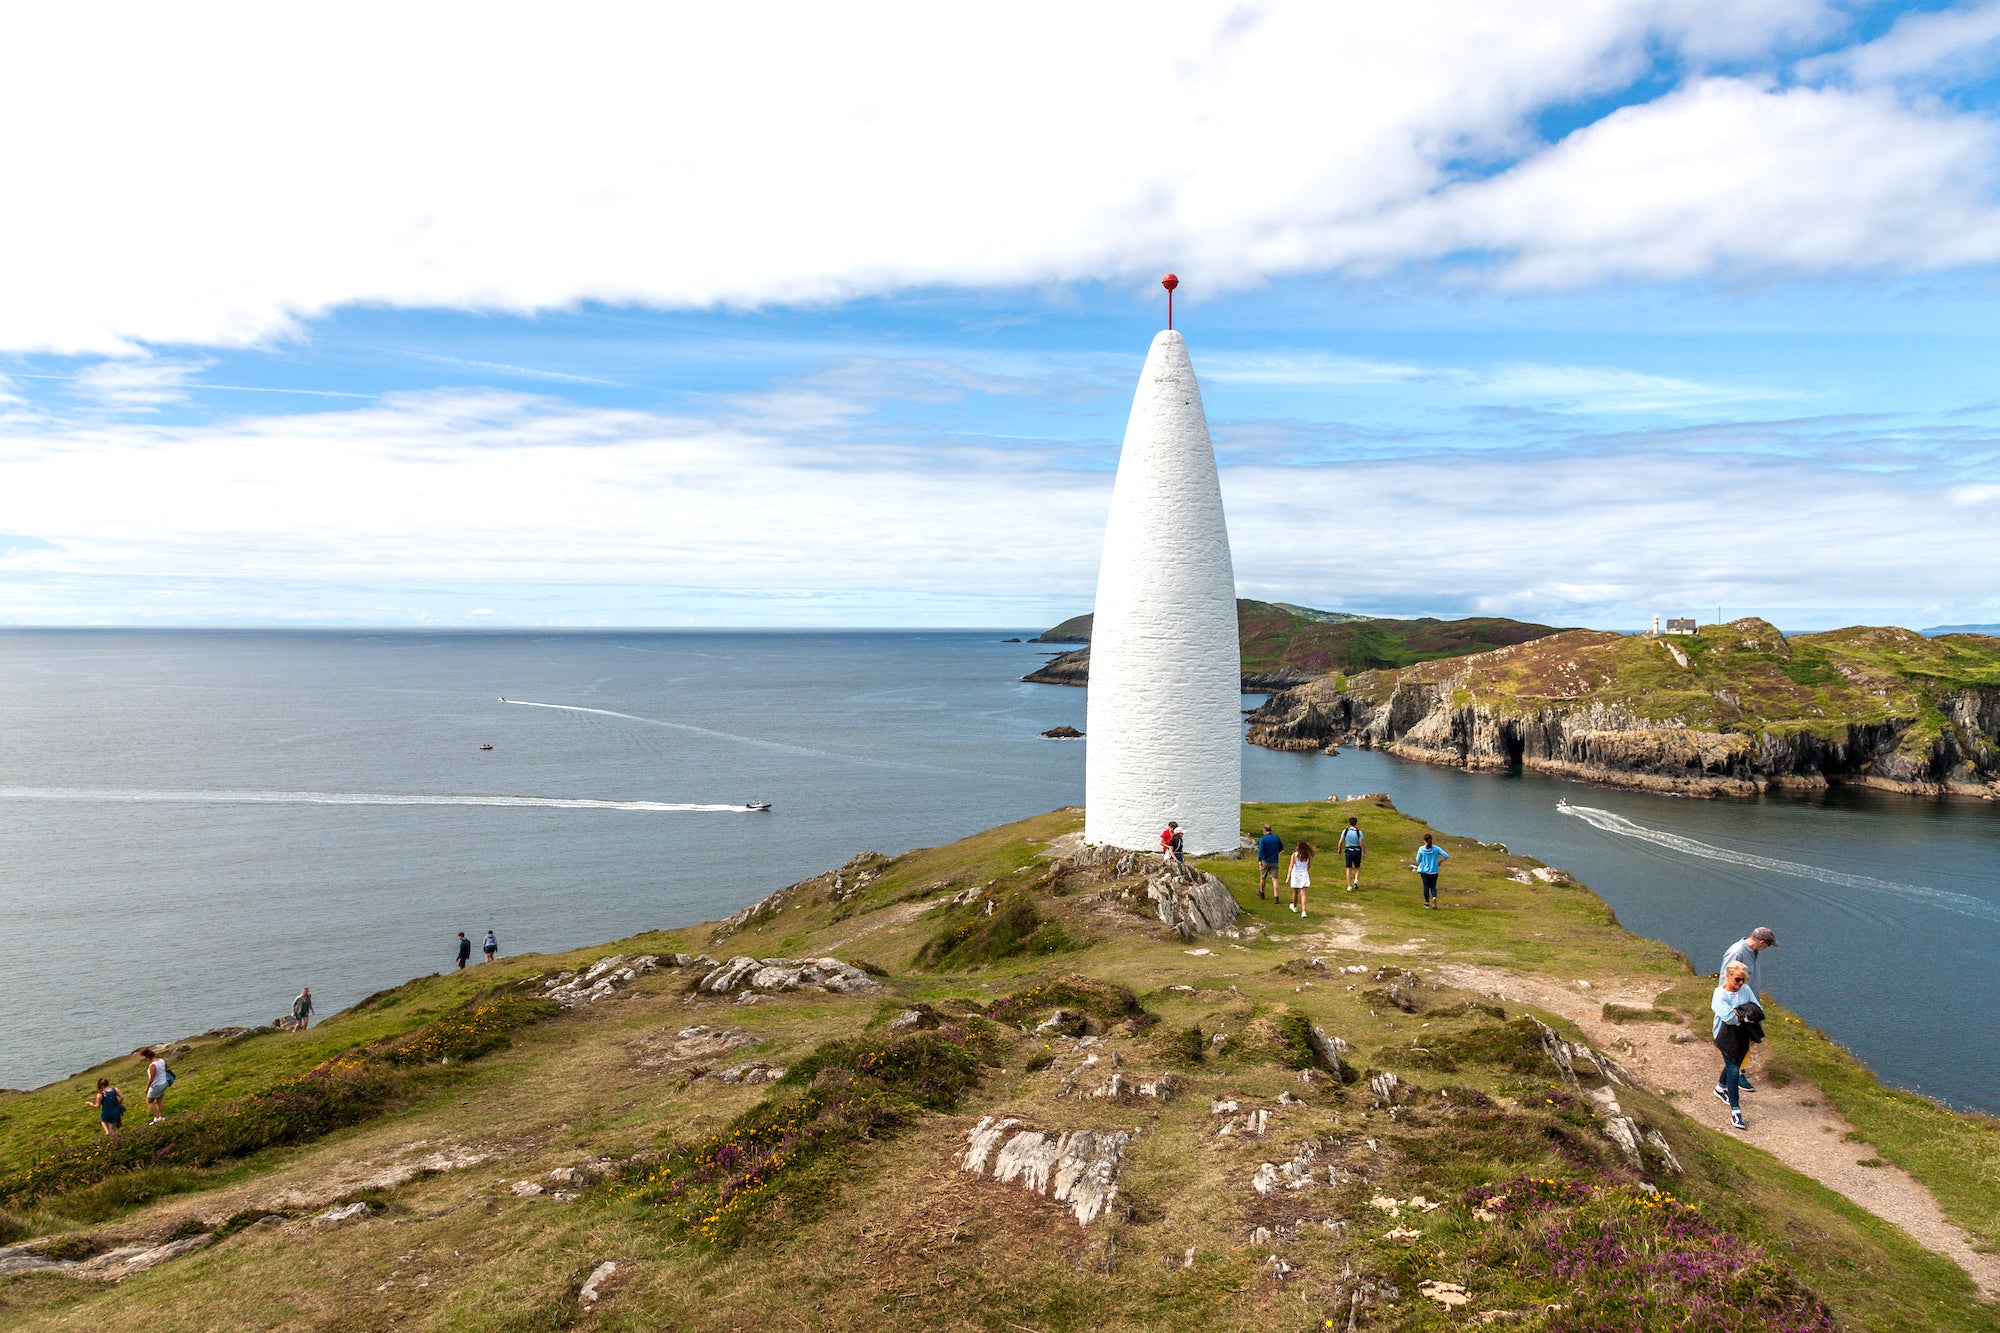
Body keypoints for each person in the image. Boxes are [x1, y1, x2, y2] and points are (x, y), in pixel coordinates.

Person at [1719, 927, 1778, 1088]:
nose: (1768, 948)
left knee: (1749, 1040)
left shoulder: (1754, 952)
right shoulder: (1737, 953)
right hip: (1739, 1007)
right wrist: (1730, 1010)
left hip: (1749, 1006)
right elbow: (1725, 981)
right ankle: (1734, 1077)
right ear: (1761, 942)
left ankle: (1739, 1071)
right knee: (1739, 1042)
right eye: (1769, 945)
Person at [1712, 959, 1760, 1131]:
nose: (1740, 984)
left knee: (1735, 1062)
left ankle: (1720, 1088)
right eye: (1737, 980)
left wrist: (1740, 1014)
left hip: (1742, 1033)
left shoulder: (1745, 990)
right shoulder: (1719, 994)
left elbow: (1757, 1008)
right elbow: (1728, 1017)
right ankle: (1736, 1111)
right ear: (1728, 975)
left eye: (1743, 980)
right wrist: (1744, 1013)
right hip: (1724, 1034)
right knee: (1733, 1069)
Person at [1414, 834, 1449, 908]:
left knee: (1426, 886)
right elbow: (1446, 855)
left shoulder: (1421, 849)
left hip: (1424, 871)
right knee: (1433, 886)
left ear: (1424, 841)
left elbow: (1418, 860)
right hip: (1434, 871)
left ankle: (1427, 903)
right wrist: (1440, 862)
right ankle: (1434, 897)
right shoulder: (1436, 848)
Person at [139, 1047, 171, 1123]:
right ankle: (162, 1117)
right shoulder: (161, 1060)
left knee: (149, 1102)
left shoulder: (152, 1065)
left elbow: (152, 1078)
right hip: (164, 1083)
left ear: (148, 1057)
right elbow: (166, 1068)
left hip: (156, 1085)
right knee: (159, 1101)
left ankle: (156, 1118)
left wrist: (146, 1088)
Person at [1256, 824, 1284, 900]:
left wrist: (1259, 860)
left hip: (1265, 860)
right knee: (1275, 879)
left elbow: (1260, 850)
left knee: (1263, 878)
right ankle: (1276, 896)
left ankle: (1262, 892)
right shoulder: (1276, 838)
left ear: (1264, 831)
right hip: (1274, 861)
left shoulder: (1263, 839)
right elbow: (1281, 848)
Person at [1288, 841, 1314, 918]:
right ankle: (1304, 911)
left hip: (1295, 874)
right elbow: (1308, 866)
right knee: (1303, 894)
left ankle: (1295, 907)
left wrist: (1288, 875)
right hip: (1304, 874)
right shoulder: (1307, 856)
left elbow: (1291, 866)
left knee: (1295, 892)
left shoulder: (1294, 855)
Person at [1339, 817, 1365, 891]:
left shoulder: (1346, 831)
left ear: (1349, 823)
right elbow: (1361, 843)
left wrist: (1339, 849)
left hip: (1348, 851)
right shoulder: (1359, 832)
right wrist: (1364, 852)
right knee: (1357, 867)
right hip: (1357, 851)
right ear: (1356, 823)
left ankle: (1349, 885)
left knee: (1348, 868)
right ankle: (1356, 880)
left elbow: (1341, 841)